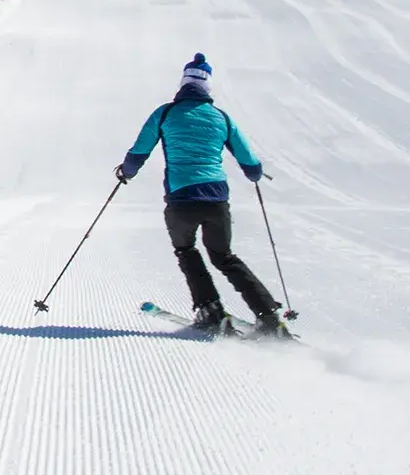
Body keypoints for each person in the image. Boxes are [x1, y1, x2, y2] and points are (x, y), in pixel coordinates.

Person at [116, 53, 289, 336]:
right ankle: (269, 317)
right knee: (224, 257)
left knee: (186, 251)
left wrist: (126, 172)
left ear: (183, 84)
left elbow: (138, 152)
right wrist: (255, 175)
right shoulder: (221, 117)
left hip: (181, 199)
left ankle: (210, 310)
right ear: (207, 87)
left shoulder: (165, 113)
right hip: (216, 198)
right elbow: (249, 161)